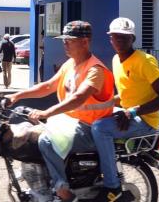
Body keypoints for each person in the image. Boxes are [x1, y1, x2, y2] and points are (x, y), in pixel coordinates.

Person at [7, 21, 114, 202]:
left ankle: (62, 190)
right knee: (28, 130)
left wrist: (46, 113)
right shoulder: (71, 64)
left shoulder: (96, 70)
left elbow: (78, 98)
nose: (65, 43)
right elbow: (48, 86)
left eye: (69, 40)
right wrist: (16, 96)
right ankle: (39, 178)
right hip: (70, 123)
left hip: (88, 128)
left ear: (85, 42)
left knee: (46, 141)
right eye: (64, 40)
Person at [91, 17, 159, 202]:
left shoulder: (145, 61)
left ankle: (112, 186)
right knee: (87, 123)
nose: (120, 40)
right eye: (116, 37)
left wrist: (133, 112)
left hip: (145, 120)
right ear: (110, 39)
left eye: (125, 37)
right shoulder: (115, 60)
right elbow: (126, 95)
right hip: (128, 115)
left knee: (100, 128)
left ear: (133, 39)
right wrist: (97, 105)